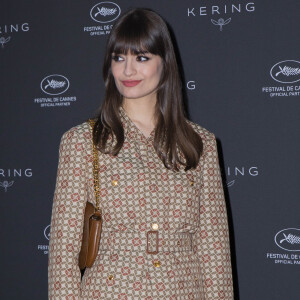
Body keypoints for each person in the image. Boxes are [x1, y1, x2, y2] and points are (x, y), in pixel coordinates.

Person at [48, 7, 234, 300]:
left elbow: (214, 249)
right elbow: (63, 253)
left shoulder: (200, 143)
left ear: (165, 63)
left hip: (184, 292)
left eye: (142, 58)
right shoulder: (83, 142)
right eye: (119, 57)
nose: (128, 70)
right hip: (109, 292)